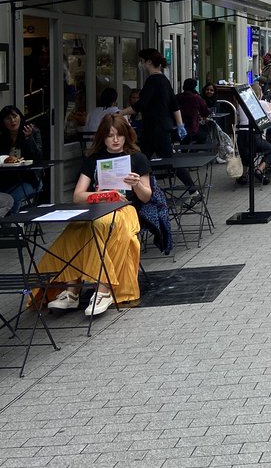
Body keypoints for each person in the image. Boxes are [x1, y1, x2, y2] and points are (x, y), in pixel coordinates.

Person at [39, 114, 149, 316]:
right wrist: (100, 194)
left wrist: (137, 184)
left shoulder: (137, 158)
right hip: (98, 209)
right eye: (109, 136)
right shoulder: (94, 160)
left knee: (105, 226)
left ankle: (103, 289)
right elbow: (78, 196)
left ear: (126, 135)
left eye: (119, 135)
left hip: (126, 210)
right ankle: (72, 291)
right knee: (74, 230)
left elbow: (146, 196)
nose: (115, 140)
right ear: (102, 138)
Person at [127, 49, 196, 197]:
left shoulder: (152, 81)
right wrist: (180, 124)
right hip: (161, 128)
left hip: (154, 128)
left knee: (142, 159)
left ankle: (131, 191)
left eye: (142, 61)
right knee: (149, 158)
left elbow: (140, 104)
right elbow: (174, 105)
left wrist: (119, 113)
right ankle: (134, 190)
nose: (141, 64)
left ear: (149, 62)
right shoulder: (164, 80)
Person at [0, 105, 44, 213]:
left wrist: (28, 138)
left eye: (15, 116)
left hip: (29, 178)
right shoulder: (2, 136)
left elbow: (38, 157)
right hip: (6, 179)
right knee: (4, 200)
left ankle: (12, 227)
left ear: (20, 117)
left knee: (14, 199)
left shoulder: (32, 131)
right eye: (8, 118)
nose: (12, 121)